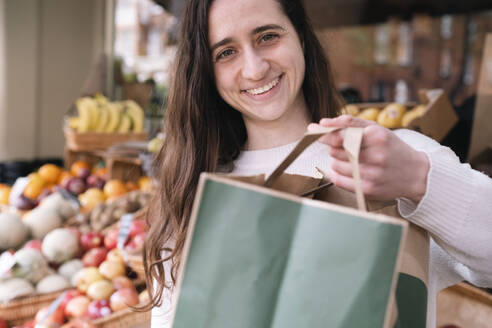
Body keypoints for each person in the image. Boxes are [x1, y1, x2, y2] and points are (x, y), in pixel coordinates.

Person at [144, 0, 492, 327]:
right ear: (206, 70)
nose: (254, 68)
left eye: (268, 36)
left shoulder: (389, 159)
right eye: (226, 52)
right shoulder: (196, 192)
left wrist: (419, 180)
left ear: (300, 38)